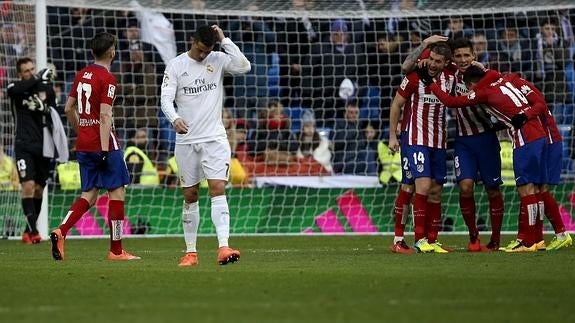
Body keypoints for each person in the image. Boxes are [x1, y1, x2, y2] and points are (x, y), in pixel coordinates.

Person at [421, 65, 548, 252]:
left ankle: (528, 242)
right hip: (538, 133)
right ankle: (537, 240)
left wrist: (430, 83)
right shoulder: (498, 77)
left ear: (471, 84)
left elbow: (450, 101)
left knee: (526, 190)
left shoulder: (482, 91)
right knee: (534, 189)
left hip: (524, 136)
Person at [160, 25, 250, 267]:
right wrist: (174, 118)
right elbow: (165, 99)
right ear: (192, 41)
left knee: (217, 187)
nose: (203, 55)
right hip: (187, 140)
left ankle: (224, 247)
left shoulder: (218, 58)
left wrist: (224, 40)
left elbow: (244, 66)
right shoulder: (176, 65)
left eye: (207, 50)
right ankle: (191, 252)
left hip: (214, 139)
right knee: (190, 195)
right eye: (200, 50)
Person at [404, 38, 505, 252]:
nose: (462, 60)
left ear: (474, 56)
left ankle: (495, 240)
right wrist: (425, 47)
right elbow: (409, 67)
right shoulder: (448, 73)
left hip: (487, 140)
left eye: (466, 55)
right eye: (458, 56)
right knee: (466, 186)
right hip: (463, 142)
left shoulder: (484, 76)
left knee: (493, 190)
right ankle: (473, 236)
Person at [49, 32, 141, 261]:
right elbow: (105, 116)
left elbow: (68, 108)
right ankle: (116, 250)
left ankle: (61, 230)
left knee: (89, 195)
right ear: (112, 52)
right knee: (117, 193)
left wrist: (82, 131)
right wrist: (103, 148)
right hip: (104, 145)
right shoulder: (108, 79)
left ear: (92, 52)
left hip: (84, 144)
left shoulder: (81, 74)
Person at [389, 42, 456, 254]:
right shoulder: (415, 76)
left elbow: (466, 64)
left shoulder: (450, 78)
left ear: (446, 63)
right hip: (414, 139)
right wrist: (393, 136)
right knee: (419, 186)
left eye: (438, 61)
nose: (433, 64)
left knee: (435, 191)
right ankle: (412, 239)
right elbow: (396, 105)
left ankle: (431, 239)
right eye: (432, 59)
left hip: (438, 141)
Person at [507, 72, 572, 250]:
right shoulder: (511, 90)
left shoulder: (519, 85)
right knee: (532, 189)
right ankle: (535, 238)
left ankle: (560, 234)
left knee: (538, 189)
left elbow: (540, 105)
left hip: (547, 140)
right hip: (541, 140)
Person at [6, 57, 57, 244]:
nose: (30, 72)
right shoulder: (15, 88)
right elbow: (13, 90)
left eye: (32, 69)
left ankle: (28, 230)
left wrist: (44, 107)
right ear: (20, 74)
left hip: (44, 146)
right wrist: (38, 78)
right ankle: (34, 231)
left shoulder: (45, 90)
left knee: (38, 190)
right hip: (23, 145)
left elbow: (56, 112)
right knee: (27, 185)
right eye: (26, 71)